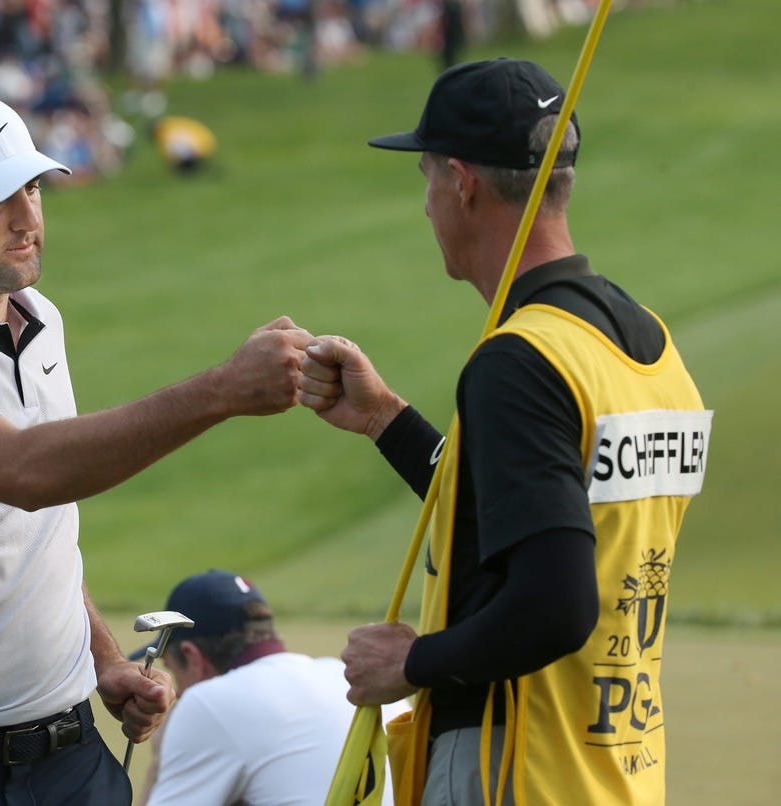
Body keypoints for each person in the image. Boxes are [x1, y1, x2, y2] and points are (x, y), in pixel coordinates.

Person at [0, 89, 313, 806]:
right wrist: (220, 391)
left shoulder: (41, 320)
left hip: (67, 757)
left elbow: (33, 529)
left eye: (32, 187)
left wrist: (103, 658)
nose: (26, 218)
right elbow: (24, 472)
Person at [298, 58, 712, 805]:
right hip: (619, 767)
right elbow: (525, 510)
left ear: (463, 182)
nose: (426, 206)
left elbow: (557, 603)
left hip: (519, 767)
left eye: (426, 176)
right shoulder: (645, 343)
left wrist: (414, 662)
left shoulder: (519, 360)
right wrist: (387, 421)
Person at [133, 569, 409, 806]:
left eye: (171, 668)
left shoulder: (208, 702)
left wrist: (160, 759)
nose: (177, 693)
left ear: (192, 657)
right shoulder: (349, 675)